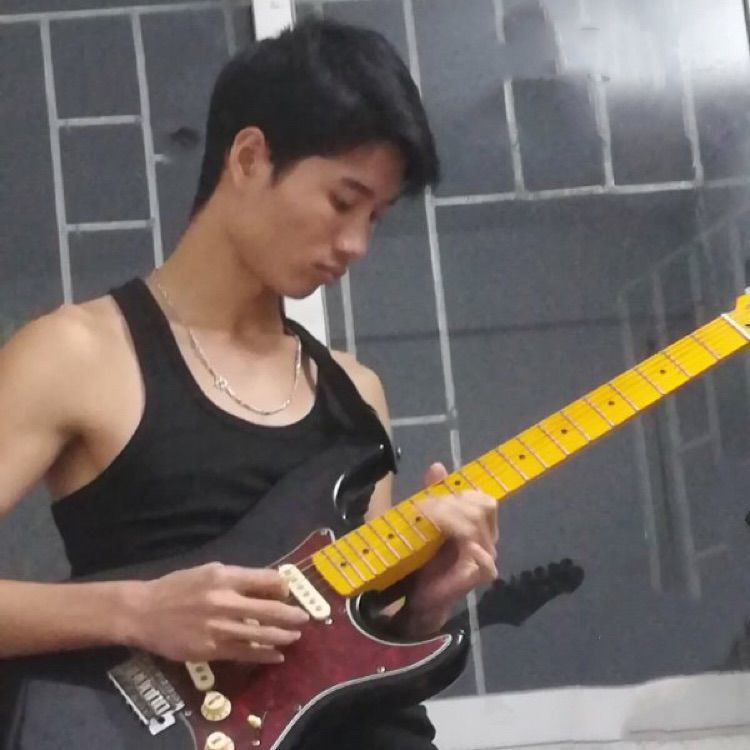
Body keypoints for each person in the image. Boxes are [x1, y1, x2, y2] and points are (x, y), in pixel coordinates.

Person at [0, 17, 498, 748]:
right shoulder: (76, 354)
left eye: (376, 217)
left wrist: (423, 607)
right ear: (250, 157)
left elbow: (353, 656)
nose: (356, 244)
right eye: (342, 201)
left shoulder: (357, 392)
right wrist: (136, 611)